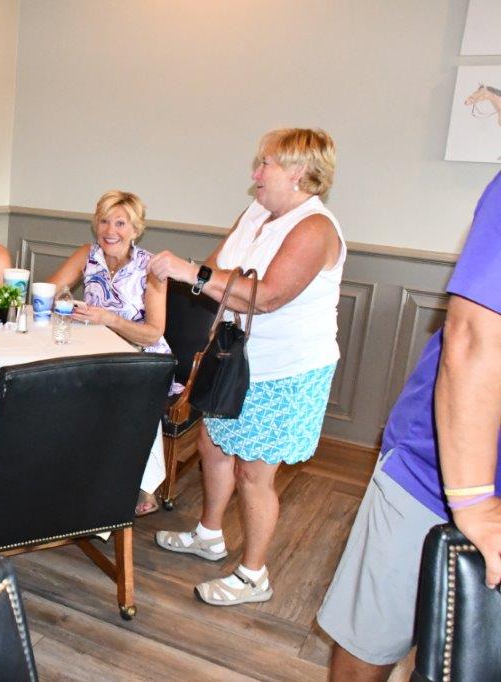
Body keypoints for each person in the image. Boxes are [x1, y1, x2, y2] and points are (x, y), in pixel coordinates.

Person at [149, 128, 344, 605]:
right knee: (214, 446)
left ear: (298, 171)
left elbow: (268, 296)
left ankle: (255, 575)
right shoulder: (256, 213)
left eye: (265, 164)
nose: (255, 173)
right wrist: (193, 276)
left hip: (284, 370)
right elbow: (217, 269)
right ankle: (209, 535)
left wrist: (192, 273)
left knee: (254, 475)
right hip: (234, 357)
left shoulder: (315, 228)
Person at [318, 171, 501, 681]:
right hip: (437, 475)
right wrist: (473, 500)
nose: (257, 173)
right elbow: (474, 337)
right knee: (373, 635)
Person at [47, 190, 173, 516]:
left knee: (125, 393)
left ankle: (138, 483)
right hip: (94, 350)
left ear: (136, 230)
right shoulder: (87, 255)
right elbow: (47, 292)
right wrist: (59, 302)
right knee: (53, 383)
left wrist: (109, 319)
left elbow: (154, 332)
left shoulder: (151, 267)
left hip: (142, 355)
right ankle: (67, 472)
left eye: (120, 223)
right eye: (104, 221)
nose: (110, 230)